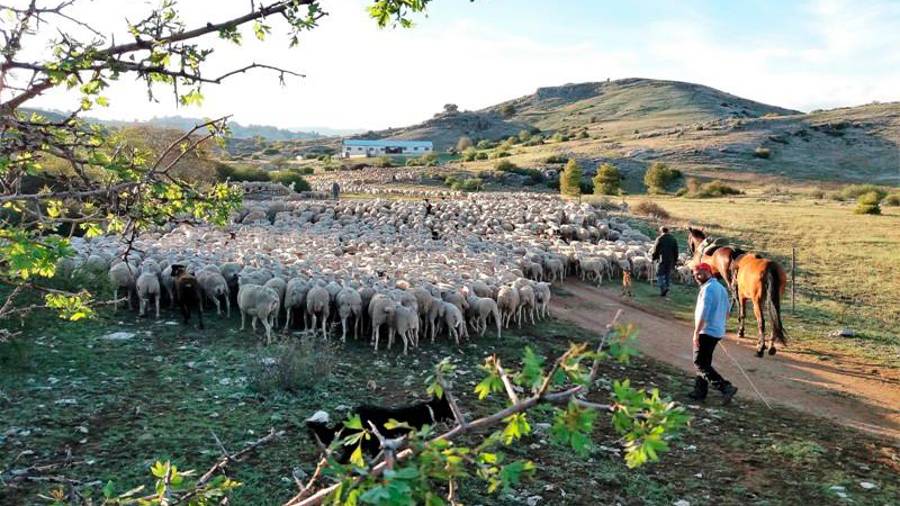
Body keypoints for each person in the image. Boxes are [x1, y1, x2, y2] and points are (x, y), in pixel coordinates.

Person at [689, 263, 738, 404]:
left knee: (699, 362)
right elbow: (728, 312)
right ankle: (699, 392)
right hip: (717, 331)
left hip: (706, 331)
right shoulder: (721, 288)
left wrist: (696, 332)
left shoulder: (708, 289)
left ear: (708, 272)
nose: (697, 277)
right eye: (695, 274)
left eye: (700, 273)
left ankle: (725, 387)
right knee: (705, 361)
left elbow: (704, 311)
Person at [650, 226, 678, 297]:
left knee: (659, 274)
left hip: (662, 259)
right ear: (668, 231)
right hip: (671, 260)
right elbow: (676, 251)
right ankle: (667, 287)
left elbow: (656, 249)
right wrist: (675, 261)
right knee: (667, 274)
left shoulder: (660, 238)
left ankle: (663, 288)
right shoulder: (673, 239)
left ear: (661, 231)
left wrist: (653, 258)